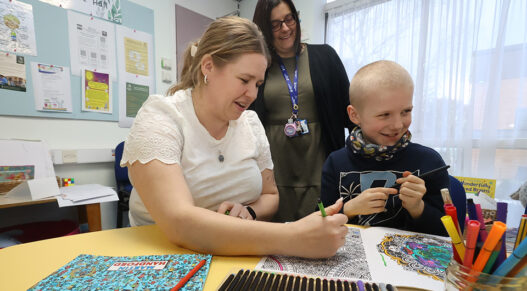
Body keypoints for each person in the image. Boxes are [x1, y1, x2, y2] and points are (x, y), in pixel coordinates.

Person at [120, 16, 348, 258]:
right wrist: (295, 237)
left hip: (228, 255)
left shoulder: (250, 123)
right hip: (158, 258)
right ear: (208, 66)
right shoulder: (160, 117)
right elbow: (179, 222)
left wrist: (249, 213)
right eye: (244, 80)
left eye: (258, 83)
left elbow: (271, 197)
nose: (252, 94)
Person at [252, 0, 354, 222]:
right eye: (275, 24)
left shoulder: (325, 56)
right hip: (276, 168)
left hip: (319, 163)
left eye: (289, 19)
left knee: (321, 228)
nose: (286, 28)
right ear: (263, 29)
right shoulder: (259, 64)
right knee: (278, 239)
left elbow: (350, 111)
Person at [320, 60, 448, 236]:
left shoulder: (430, 161)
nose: (397, 125)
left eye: (406, 111)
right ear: (355, 115)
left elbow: (447, 234)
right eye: (384, 115)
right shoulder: (335, 163)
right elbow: (320, 224)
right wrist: (349, 209)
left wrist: (418, 208)